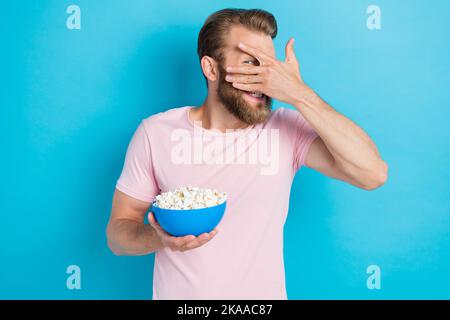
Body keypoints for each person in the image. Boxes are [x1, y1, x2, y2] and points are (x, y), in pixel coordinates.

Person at [106, 8, 388, 300]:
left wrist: (299, 93)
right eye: (250, 64)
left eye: (269, 66)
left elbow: (373, 174)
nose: (264, 79)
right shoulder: (156, 133)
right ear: (211, 68)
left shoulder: (285, 129)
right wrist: (160, 238)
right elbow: (117, 235)